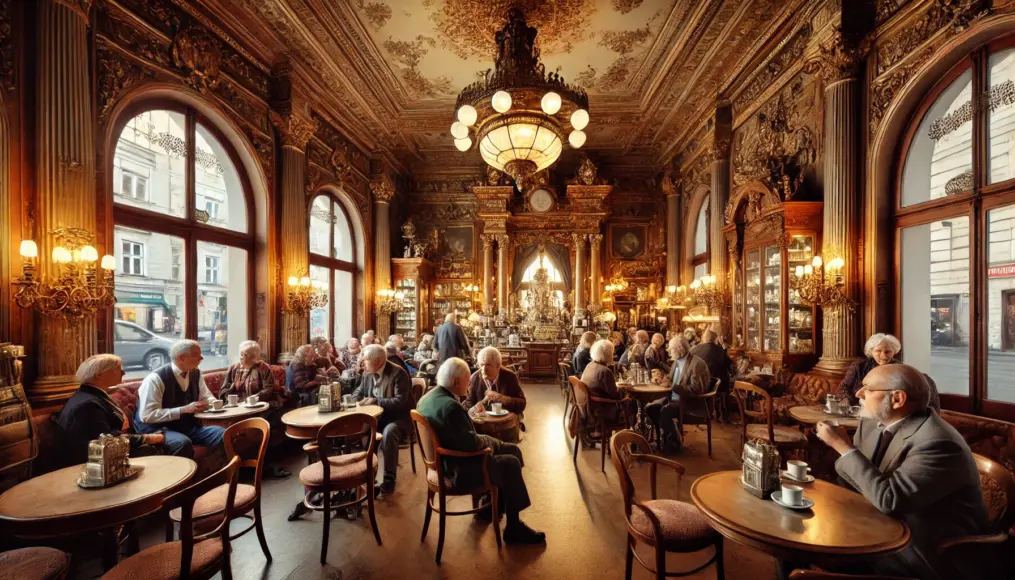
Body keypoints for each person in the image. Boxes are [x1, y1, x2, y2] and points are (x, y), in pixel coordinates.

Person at [815, 364, 991, 580]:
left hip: (924, 553)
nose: (858, 394)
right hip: (876, 528)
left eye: (868, 389)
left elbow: (890, 500)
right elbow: (856, 480)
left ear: (897, 399)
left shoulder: (938, 442)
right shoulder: (872, 423)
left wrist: (843, 447)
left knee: (809, 552)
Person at [415, 357, 545, 544]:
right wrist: (494, 443)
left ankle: (492, 508)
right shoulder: (451, 407)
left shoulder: (429, 397)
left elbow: (462, 437)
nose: (469, 385)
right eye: (468, 380)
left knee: (513, 450)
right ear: (457, 381)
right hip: (457, 469)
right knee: (511, 462)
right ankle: (513, 527)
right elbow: (473, 445)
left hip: (444, 461)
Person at [57, 355, 166, 464]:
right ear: (99, 375)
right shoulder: (88, 405)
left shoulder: (90, 394)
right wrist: (149, 438)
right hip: (96, 463)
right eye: (118, 369)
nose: (123, 373)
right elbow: (109, 441)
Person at [134, 340, 224, 458]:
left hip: (186, 427)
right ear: (181, 358)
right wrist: (183, 410)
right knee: (182, 442)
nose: (201, 358)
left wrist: (212, 404)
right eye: (196, 355)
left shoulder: (195, 373)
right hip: (158, 430)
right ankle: (186, 476)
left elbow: (206, 396)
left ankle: (228, 473)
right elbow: (147, 415)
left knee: (223, 433)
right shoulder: (155, 379)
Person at [219, 340, 290, 478]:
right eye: (240, 354)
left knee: (263, 425)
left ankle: (267, 466)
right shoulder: (233, 369)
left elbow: (268, 389)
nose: (241, 357)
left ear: (254, 358)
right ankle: (240, 467)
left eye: (244, 355)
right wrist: (233, 389)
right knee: (236, 428)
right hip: (238, 408)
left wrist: (255, 397)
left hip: (263, 405)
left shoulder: (263, 368)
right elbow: (222, 392)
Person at [353, 344, 411, 496]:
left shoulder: (398, 374)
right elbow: (358, 392)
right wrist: (352, 400)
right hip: (374, 418)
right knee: (353, 430)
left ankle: (389, 479)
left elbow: (400, 402)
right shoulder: (367, 373)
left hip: (397, 418)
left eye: (365, 360)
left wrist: (376, 401)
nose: (362, 363)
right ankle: (360, 478)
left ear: (377, 360)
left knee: (389, 433)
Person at [645, 336, 710, 454]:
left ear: (680, 349)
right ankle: (664, 438)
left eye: (671, 349)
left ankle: (674, 442)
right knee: (650, 408)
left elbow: (696, 390)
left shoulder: (696, 364)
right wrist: (661, 380)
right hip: (674, 399)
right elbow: (670, 379)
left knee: (665, 411)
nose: (669, 351)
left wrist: (673, 386)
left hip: (690, 403)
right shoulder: (677, 362)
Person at [836, 333, 902, 404]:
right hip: (857, 407)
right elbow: (843, 387)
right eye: (878, 351)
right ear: (871, 351)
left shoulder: (899, 368)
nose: (883, 356)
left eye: (888, 352)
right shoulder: (859, 366)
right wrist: (845, 400)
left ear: (894, 352)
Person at [689, 328, 734, 421]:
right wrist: (724, 348)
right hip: (719, 383)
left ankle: (703, 412)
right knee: (727, 379)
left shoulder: (694, 349)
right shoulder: (720, 350)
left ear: (704, 338)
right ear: (715, 339)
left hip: (702, 383)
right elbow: (730, 364)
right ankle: (724, 415)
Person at [464, 347, 526, 414]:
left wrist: (502, 398)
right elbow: (468, 402)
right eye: (481, 365)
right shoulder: (475, 377)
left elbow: (522, 404)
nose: (483, 370)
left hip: (504, 420)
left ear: (498, 366)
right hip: (482, 420)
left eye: (488, 365)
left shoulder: (509, 377)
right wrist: (475, 408)